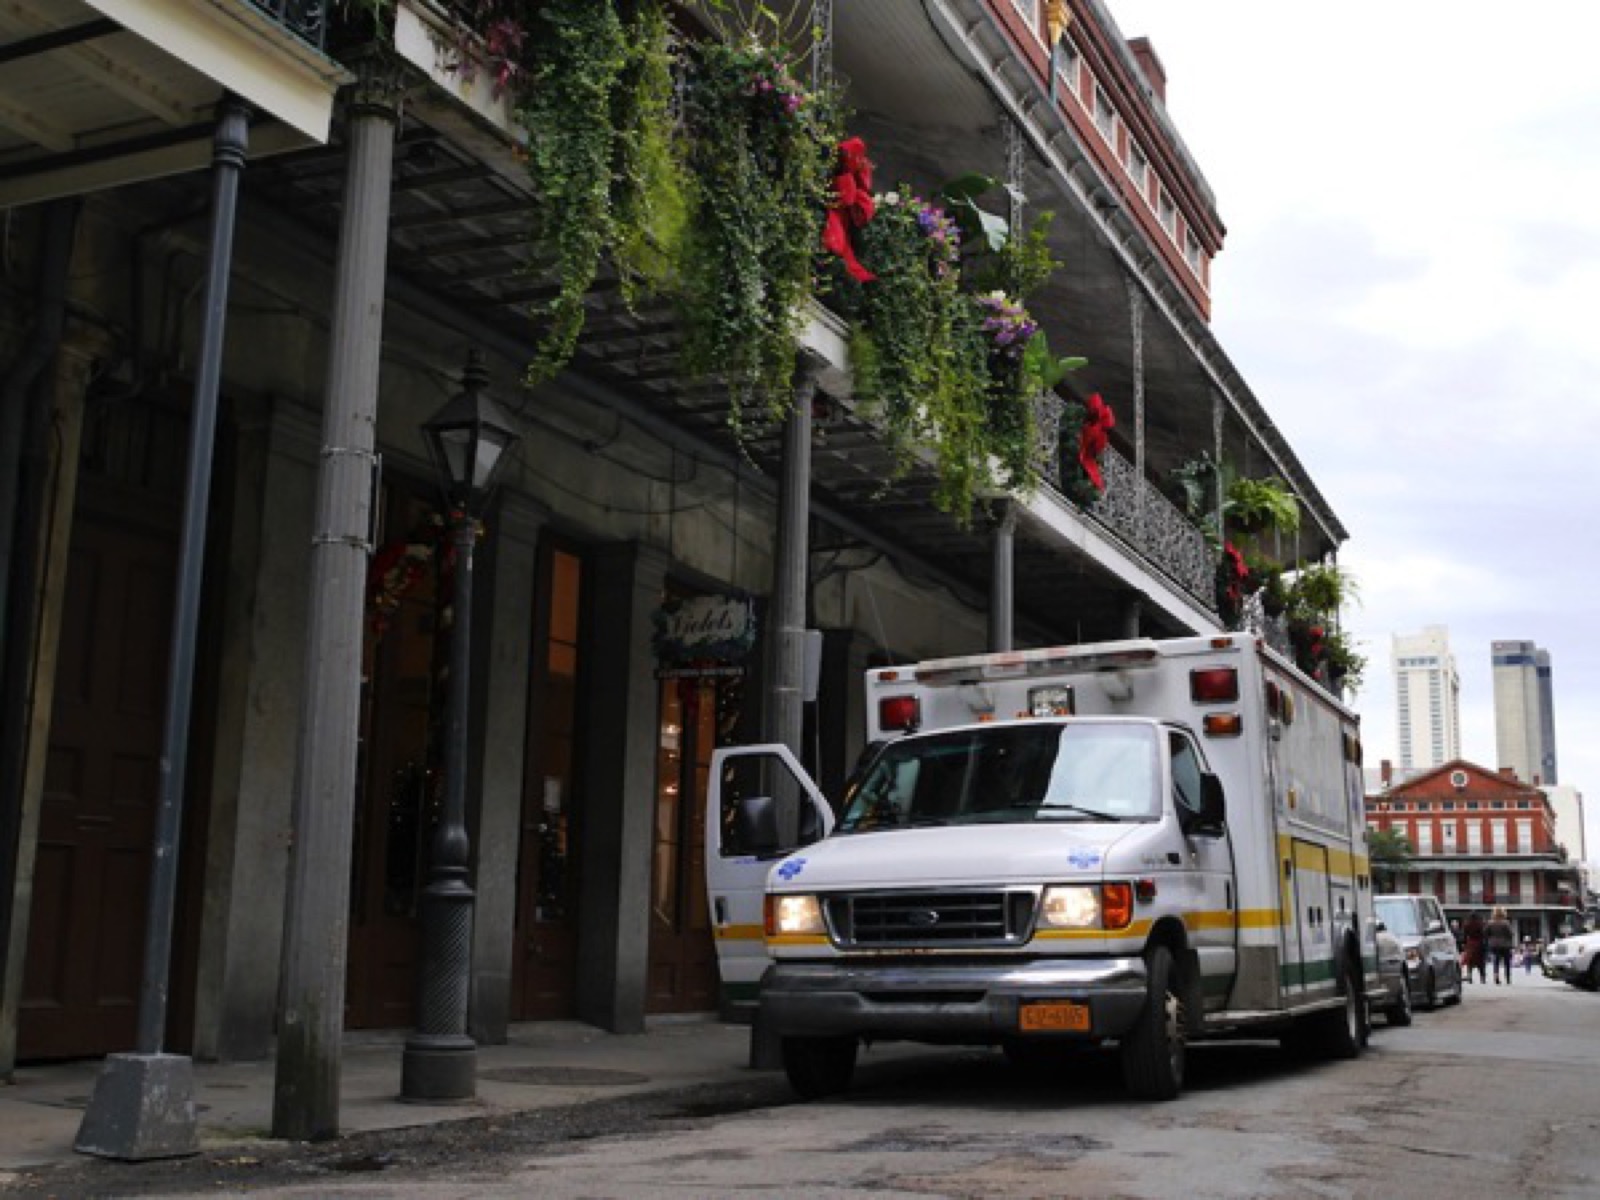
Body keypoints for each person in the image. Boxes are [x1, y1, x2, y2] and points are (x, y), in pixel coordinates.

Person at [1485, 906, 1516, 984]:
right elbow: (1510, 933)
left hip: (1494, 944)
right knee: (1507, 962)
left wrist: (1491, 938)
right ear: (1503, 913)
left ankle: (1496, 976)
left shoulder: (1490, 923)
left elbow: (1486, 933)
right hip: (1505, 945)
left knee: (1496, 961)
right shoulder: (1506, 923)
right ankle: (1508, 978)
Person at [1462, 911, 1487, 984]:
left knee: (1470, 961)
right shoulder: (1480, 924)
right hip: (1479, 944)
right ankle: (1482, 978)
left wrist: (1464, 943)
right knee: (1481, 962)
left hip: (1470, 943)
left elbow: (1464, 935)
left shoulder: (1467, 925)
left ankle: (1469, 975)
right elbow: (1483, 935)